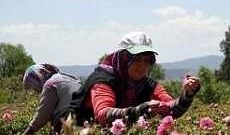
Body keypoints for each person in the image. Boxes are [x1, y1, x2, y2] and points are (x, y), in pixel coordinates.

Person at [70, 31, 200, 128]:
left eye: (146, 60)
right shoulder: (103, 80)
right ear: (124, 58)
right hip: (81, 134)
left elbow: (170, 110)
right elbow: (104, 115)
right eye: (136, 59)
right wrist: (139, 111)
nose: (142, 66)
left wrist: (188, 95)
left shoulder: (147, 84)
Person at [22, 63, 82, 135]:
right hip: (85, 121)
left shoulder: (50, 84)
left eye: (36, 88)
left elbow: (42, 116)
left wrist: (28, 132)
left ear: (39, 77)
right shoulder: (71, 79)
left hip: (70, 125)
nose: (38, 91)